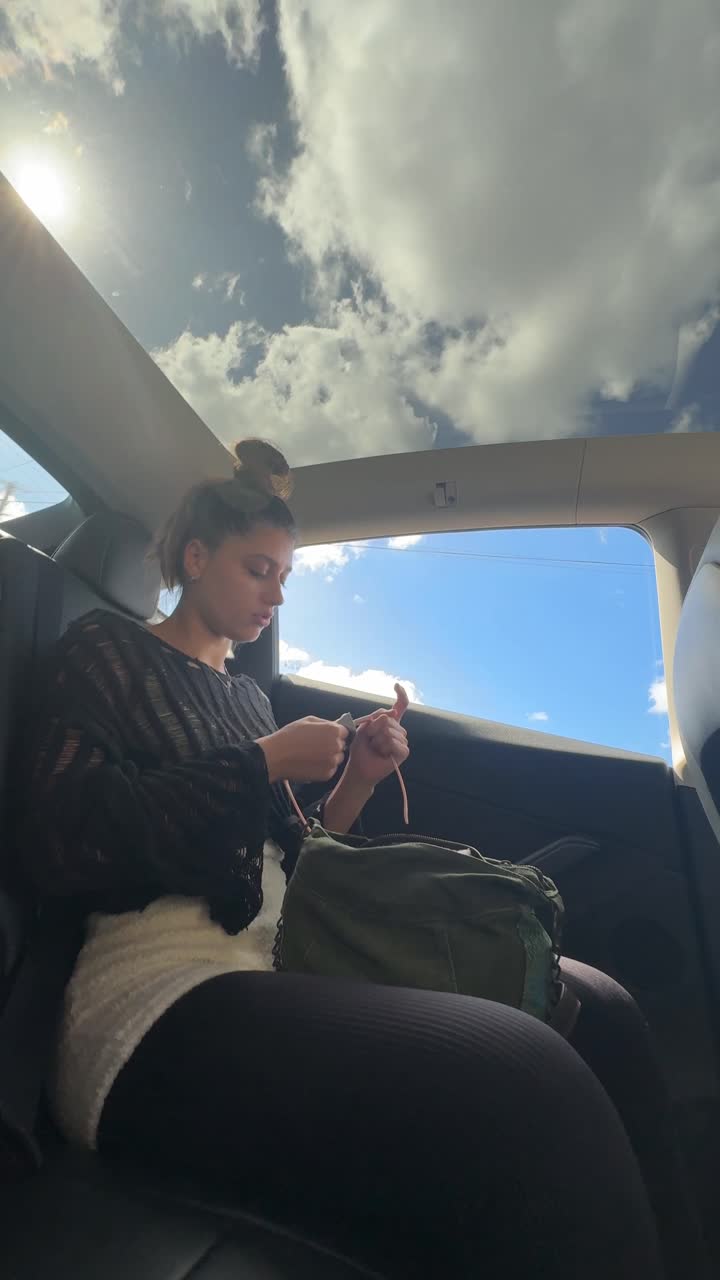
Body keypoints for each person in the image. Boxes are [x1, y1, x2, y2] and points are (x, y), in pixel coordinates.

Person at [18, 439, 703, 1278]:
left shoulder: (246, 696)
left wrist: (359, 780)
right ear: (195, 558)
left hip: (277, 956)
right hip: (150, 997)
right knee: (525, 1079)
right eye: (258, 570)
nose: (276, 594)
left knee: (603, 1010)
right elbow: (65, 834)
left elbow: (290, 864)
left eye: (285, 577)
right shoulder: (106, 651)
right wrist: (260, 762)